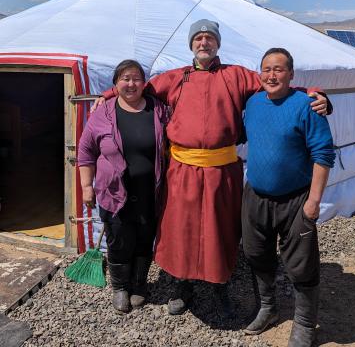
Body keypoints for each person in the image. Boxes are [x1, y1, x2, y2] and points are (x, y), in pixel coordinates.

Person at [95, 19, 331, 318]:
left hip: (222, 171)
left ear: (218, 43)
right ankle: (182, 285)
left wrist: (316, 93)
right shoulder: (175, 78)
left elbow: (276, 85)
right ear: (191, 44)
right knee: (181, 228)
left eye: (209, 38)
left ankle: (220, 286)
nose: (203, 43)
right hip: (182, 170)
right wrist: (106, 95)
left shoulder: (236, 75)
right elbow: (136, 88)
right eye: (198, 38)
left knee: (220, 229)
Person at [241, 48, 335, 346]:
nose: (272, 75)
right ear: (259, 74)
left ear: (291, 74)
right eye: (267, 69)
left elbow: (323, 154)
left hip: (297, 199)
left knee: (302, 262)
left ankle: (305, 324)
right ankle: (268, 309)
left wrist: (314, 200)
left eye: (279, 69)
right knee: (256, 253)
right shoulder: (253, 102)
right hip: (255, 196)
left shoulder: (307, 105)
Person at [78, 60, 169, 314]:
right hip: (113, 192)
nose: (131, 84)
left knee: (144, 239)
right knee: (118, 240)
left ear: (144, 83)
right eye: (125, 79)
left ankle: (139, 285)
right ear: (115, 83)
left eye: (136, 79)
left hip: (150, 191)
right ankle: (120, 288)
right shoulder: (102, 113)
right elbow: (86, 152)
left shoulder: (158, 110)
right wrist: (87, 186)